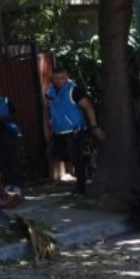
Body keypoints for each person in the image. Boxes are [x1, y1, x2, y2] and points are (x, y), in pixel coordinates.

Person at [44, 66, 105, 195]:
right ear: (52, 78)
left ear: (67, 77)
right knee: (51, 153)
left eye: (62, 78)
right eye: (56, 78)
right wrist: (47, 128)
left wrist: (94, 126)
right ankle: (83, 158)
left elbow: (88, 107)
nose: (59, 81)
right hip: (58, 131)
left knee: (76, 159)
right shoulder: (50, 91)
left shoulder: (74, 90)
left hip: (74, 130)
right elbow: (47, 109)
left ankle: (80, 188)